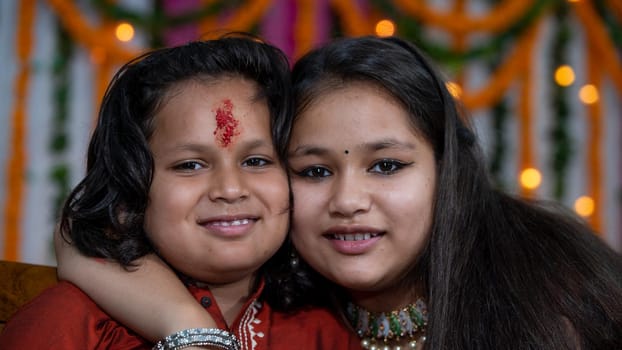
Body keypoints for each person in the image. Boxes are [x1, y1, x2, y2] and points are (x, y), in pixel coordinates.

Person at [53, 36, 622, 349]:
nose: (348, 200)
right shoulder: (288, 299)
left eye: (387, 165)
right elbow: (84, 233)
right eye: (315, 171)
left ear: (448, 173)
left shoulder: (545, 295)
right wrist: (190, 331)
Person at [0, 35, 359, 349]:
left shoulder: (325, 332)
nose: (230, 189)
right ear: (133, 186)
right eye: (191, 165)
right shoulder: (71, 322)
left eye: (256, 161)